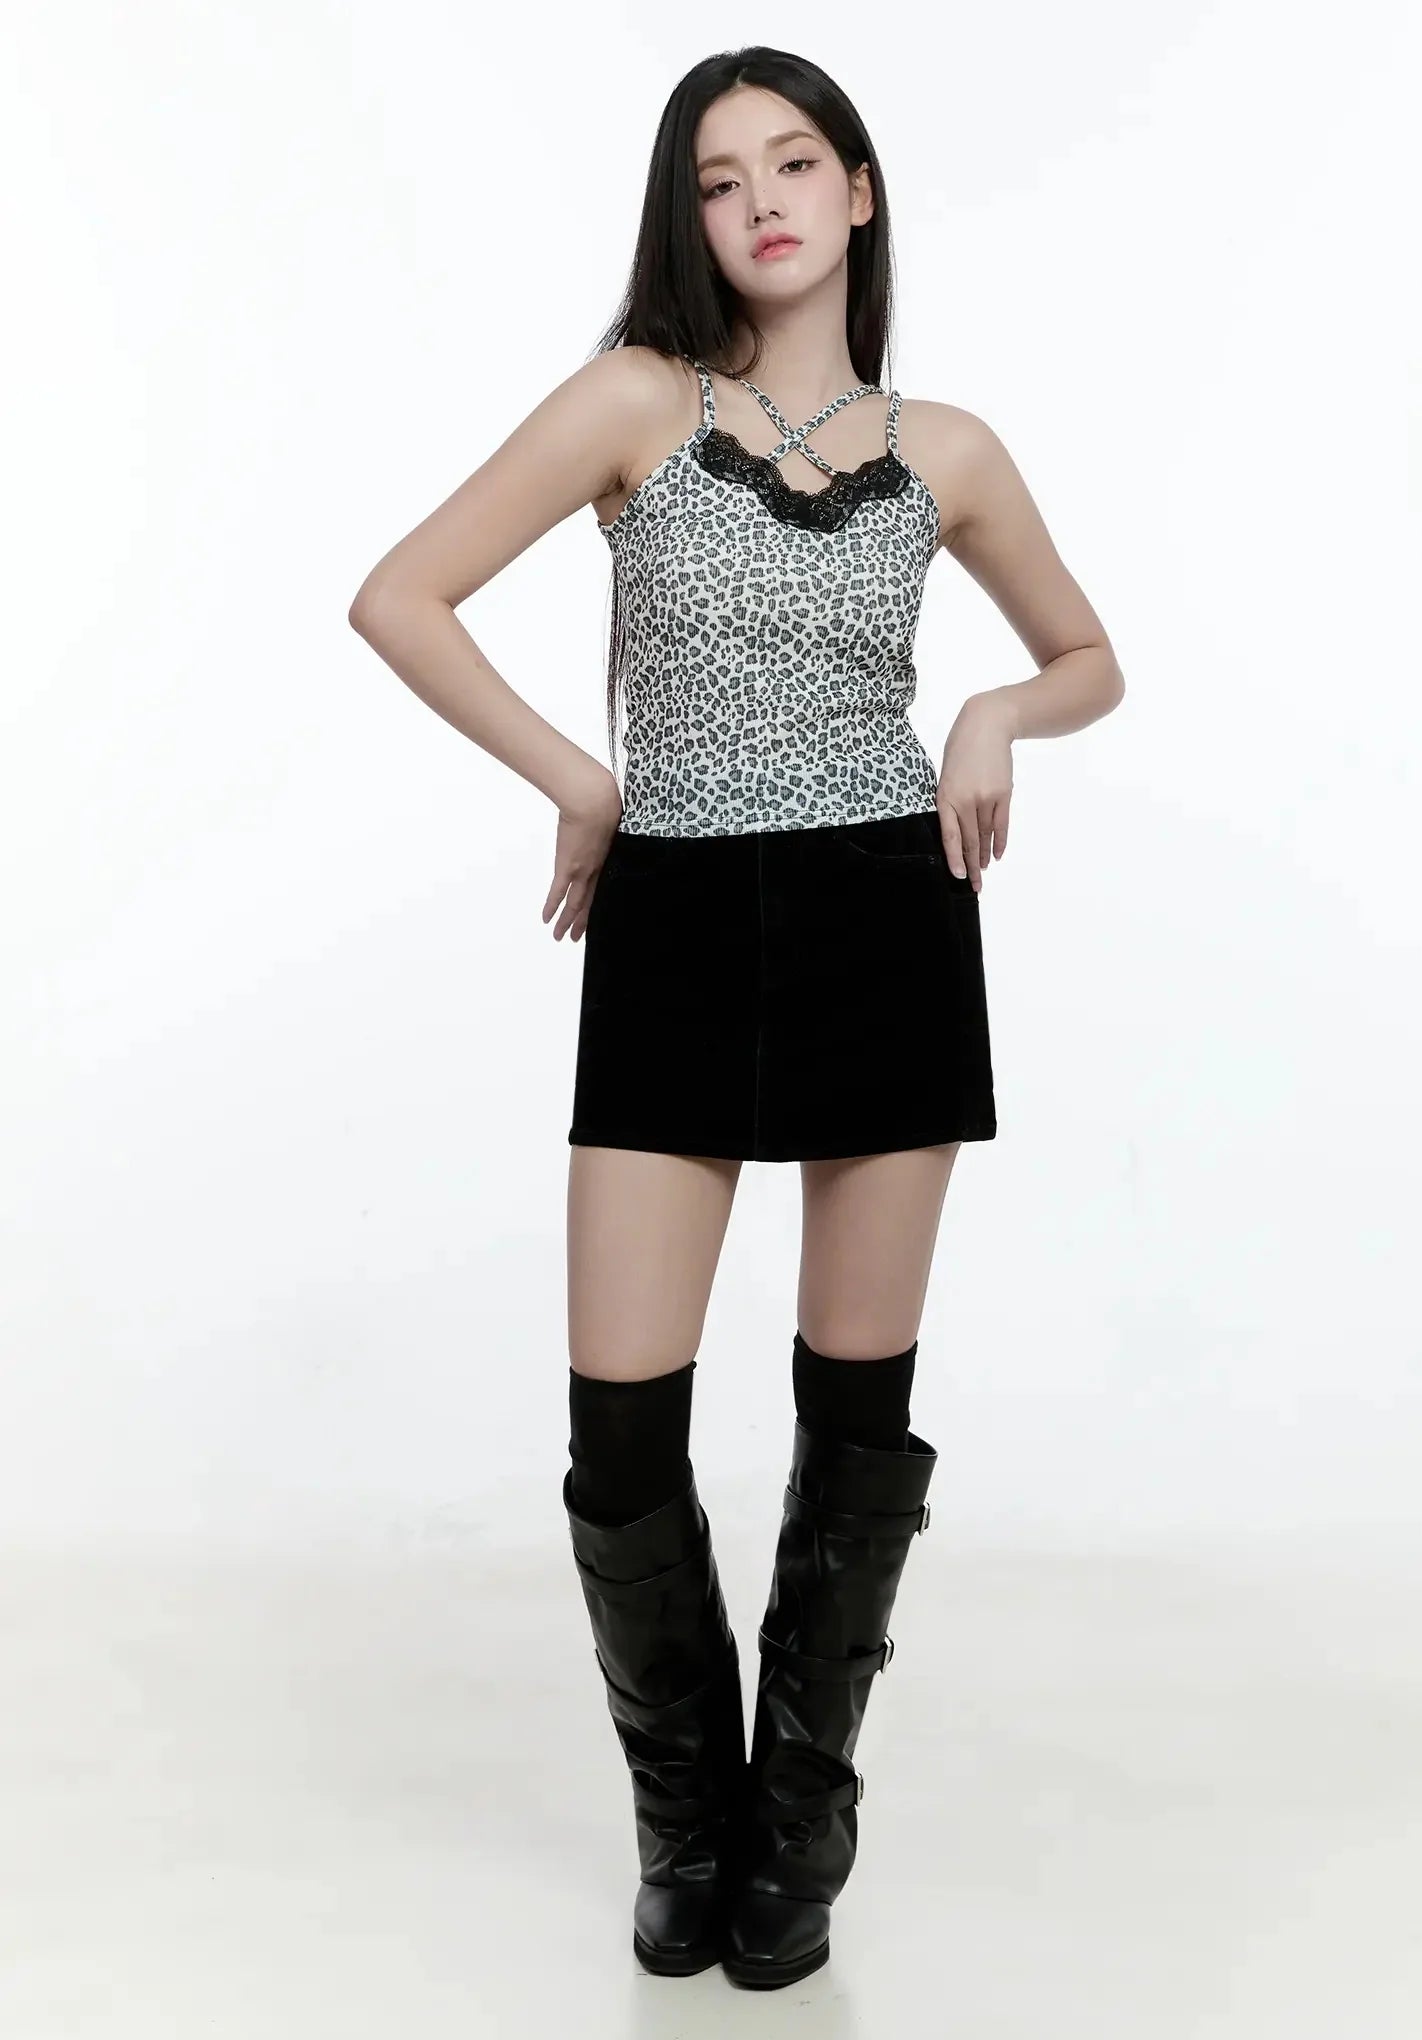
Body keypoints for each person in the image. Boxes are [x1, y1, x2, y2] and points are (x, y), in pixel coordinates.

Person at [348, 44, 1124, 1994]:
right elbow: (403, 595)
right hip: (679, 921)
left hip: (886, 916)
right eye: (717, 177)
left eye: (793, 162)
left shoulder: (949, 450)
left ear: (859, 193)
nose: (759, 199)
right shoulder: (636, 402)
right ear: (688, 218)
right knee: (621, 1432)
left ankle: (802, 1818)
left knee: (854, 1418)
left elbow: (1089, 656)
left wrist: (996, 710)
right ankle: (685, 1819)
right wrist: (579, 777)